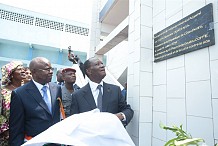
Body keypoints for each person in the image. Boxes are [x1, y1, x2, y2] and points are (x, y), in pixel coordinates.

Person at [9, 57, 62, 146]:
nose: (51, 72)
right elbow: (16, 128)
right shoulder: (20, 94)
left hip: (55, 142)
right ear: (34, 72)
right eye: (47, 69)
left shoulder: (56, 89)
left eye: (51, 69)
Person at [70, 57, 134, 126]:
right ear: (89, 71)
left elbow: (128, 110)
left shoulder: (115, 90)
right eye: (97, 64)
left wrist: (120, 116)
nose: (102, 66)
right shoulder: (77, 95)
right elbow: (74, 121)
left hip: (111, 135)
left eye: (102, 63)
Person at [0, 61, 26, 146]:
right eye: (19, 69)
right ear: (11, 74)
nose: (23, 71)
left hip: (25, 133)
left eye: (23, 68)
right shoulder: (2, 91)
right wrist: (6, 131)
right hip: (7, 135)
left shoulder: (27, 90)